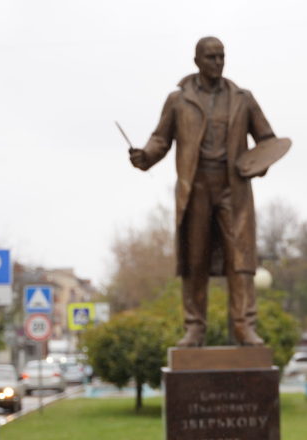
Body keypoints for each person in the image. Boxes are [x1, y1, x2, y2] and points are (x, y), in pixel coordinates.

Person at [129, 36, 278, 347]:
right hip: (195, 187)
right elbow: (161, 139)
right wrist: (145, 156)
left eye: (222, 56)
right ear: (196, 60)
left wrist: (258, 163)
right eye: (211, 57)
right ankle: (194, 328)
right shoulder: (178, 100)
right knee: (195, 259)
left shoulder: (242, 98)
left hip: (233, 188)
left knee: (241, 260)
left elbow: (267, 140)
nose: (218, 62)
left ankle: (243, 326)